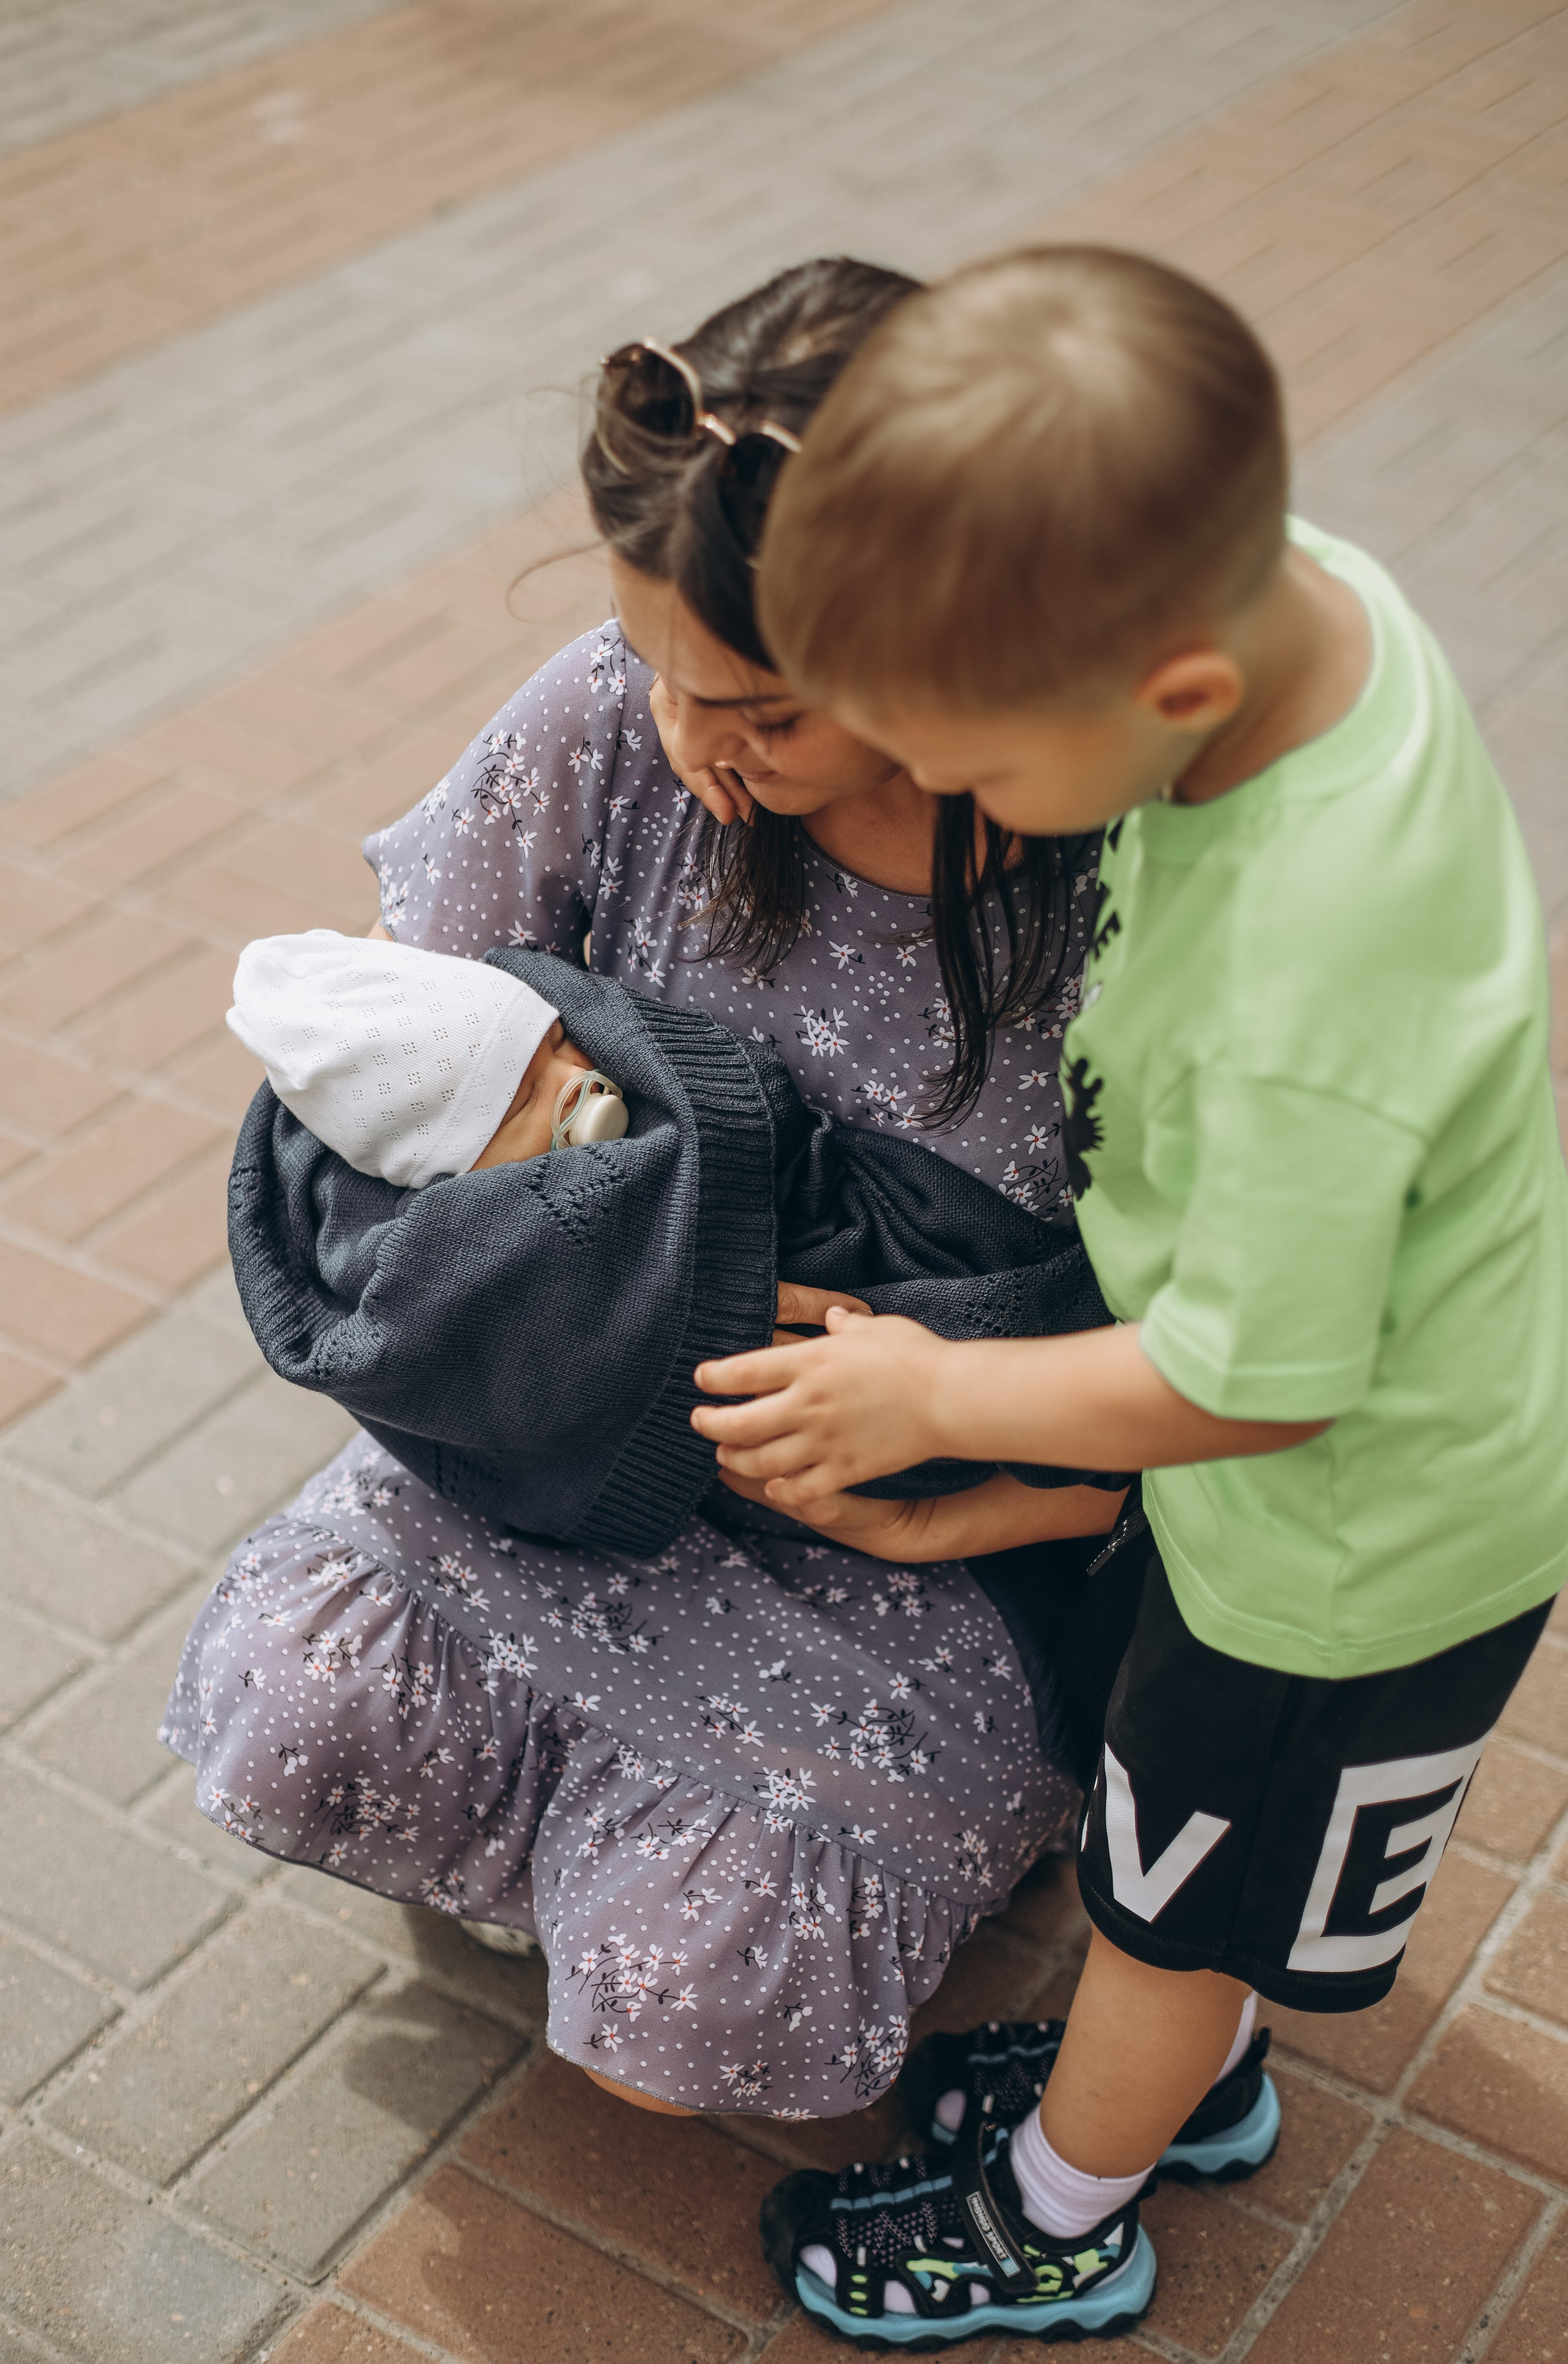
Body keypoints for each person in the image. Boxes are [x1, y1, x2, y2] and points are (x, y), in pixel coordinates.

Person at [161, 256, 1167, 2127]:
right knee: (303, 1719)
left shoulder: (1109, 852)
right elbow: (397, 1071)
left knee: (690, 2014)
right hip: (573, 1443)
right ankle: (573, 1836)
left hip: (928, 1533)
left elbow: (1230, 1344)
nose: (693, 745)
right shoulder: (618, 718)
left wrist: (987, 1482)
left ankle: (722, 1851)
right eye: (658, 668)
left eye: (765, 712)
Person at [688, 245, 1568, 2341]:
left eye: (977, 767)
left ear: (1168, 695)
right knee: (1188, 1877)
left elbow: (1256, 1384)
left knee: (1172, 1900)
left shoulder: (1298, 981)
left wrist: (937, 1402)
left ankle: (1060, 2218)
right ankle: (1180, 2089)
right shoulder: (1289, 592)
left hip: (1343, 1541)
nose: (966, 811)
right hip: (1324, 1460)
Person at [223, 927, 1126, 1550]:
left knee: (974, 1292)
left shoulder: (598, 1056)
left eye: (556, 1050)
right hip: (794, 1420)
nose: (581, 1082)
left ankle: (1075, 1374)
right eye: (526, 1103)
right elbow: (512, 1339)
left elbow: (736, 1118)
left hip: (854, 1254)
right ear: (448, 1182)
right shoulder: (458, 1254)